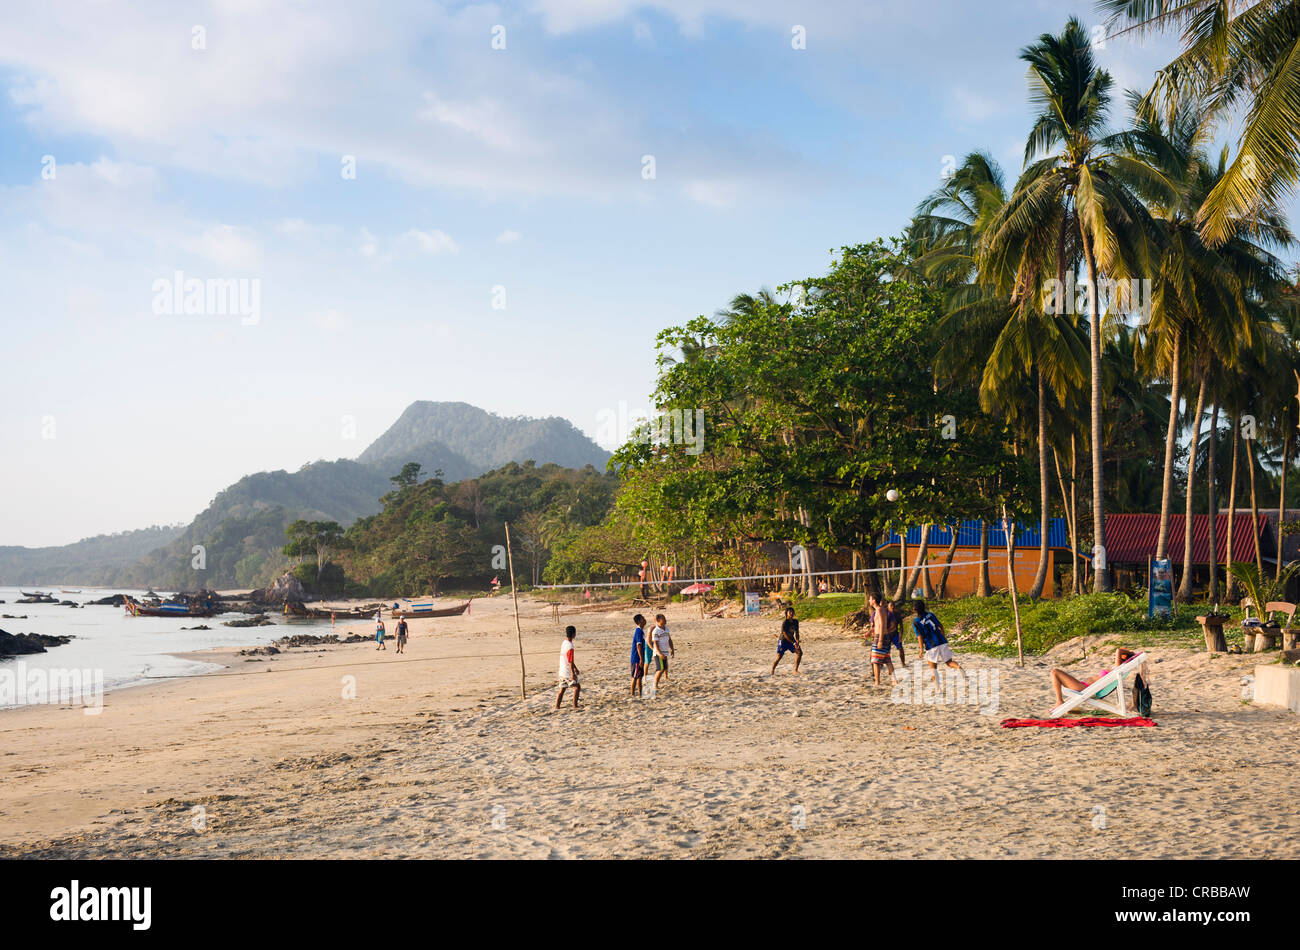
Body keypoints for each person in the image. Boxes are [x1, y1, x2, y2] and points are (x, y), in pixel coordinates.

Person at [1049, 647, 1140, 710]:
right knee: (1055, 673)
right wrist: (1129, 654)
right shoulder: (1116, 670)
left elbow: (1118, 650)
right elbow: (1120, 652)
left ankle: (1059, 701)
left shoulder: (1118, 669)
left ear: (1122, 658)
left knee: (1055, 672)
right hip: (1083, 686)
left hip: (1085, 688)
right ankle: (1059, 701)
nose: (1114, 657)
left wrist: (1130, 653)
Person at [912, 599, 962, 684]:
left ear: (914, 609)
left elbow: (919, 636)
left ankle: (938, 688)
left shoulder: (916, 622)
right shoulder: (930, 615)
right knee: (949, 662)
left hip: (931, 645)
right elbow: (940, 626)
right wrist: (943, 638)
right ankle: (958, 667)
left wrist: (921, 650)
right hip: (941, 641)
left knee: (933, 669)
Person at [869, 593, 897, 686]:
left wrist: (880, 640)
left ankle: (877, 682)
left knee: (875, 661)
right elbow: (878, 625)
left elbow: (882, 625)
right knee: (887, 659)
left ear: (874, 600)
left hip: (880, 637)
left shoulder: (880, 610)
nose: (869, 600)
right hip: (882, 636)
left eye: (870, 599)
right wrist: (870, 632)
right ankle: (894, 680)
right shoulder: (878, 610)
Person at [771, 606, 803, 674]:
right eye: (789, 612)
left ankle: (795, 670)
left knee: (799, 653)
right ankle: (772, 669)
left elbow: (797, 632)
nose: (791, 613)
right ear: (787, 614)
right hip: (783, 641)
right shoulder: (785, 622)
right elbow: (785, 634)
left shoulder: (795, 621)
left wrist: (797, 642)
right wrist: (793, 643)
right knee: (779, 657)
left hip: (791, 640)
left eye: (792, 612)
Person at [556, 626, 581, 710]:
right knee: (577, 687)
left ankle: (557, 706)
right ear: (574, 634)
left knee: (562, 689)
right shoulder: (570, 646)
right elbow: (570, 661)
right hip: (567, 672)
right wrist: (573, 673)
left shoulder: (564, 642)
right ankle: (575, 705)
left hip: (562, 670)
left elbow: (569, 660)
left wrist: (576, 668)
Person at [650, 613, 675, 691]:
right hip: (658, 653)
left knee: (664, 668)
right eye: (663, 618)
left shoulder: (666, 628)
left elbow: (669, 639)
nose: (665, 620)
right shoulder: (656, 631)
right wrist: (659, 653)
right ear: (658, 620)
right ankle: (655, 685)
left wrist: (672, 649)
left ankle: (659, 681)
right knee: (660, 669)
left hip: (665, 652)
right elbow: (655, 644)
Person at [630, 614, 648, 697]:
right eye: (643, 618)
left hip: (640, 658)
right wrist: (641, 659)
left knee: (639, 677)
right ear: (639, 621)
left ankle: (640, 693)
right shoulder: (638, 631)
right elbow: (638, 645)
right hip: (637, 658)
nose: (645, 619)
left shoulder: (641, 631)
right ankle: (632, 694)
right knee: (635, 677)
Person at [885, 599, 906, 665]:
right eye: (891, 605)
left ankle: (903, 663)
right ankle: (883, 664)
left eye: (893, 605)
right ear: (888, 606)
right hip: (887, 635)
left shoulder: (897, 615)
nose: (892, 607)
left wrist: (901, 636)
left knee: (901, 649)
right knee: (885, 651)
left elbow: (901, 627)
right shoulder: (885, 614)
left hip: (895, 634)